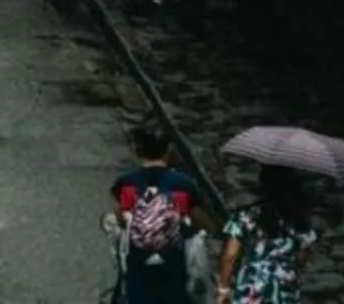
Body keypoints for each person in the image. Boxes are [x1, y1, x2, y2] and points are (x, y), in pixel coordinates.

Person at [111, 124, 203, 304]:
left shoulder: (126, 182)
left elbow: (120, 218)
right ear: (168, 151)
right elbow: (196, 220)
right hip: (173, 259)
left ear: (138, 150)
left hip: (137, 259)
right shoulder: (183, 184)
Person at [217, 165, 316, 304]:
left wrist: (224, 289)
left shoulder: (247, 216)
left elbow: (230, 256)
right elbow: (302, 259)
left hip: (251, 288)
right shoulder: (300, 222)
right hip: (284, 290)